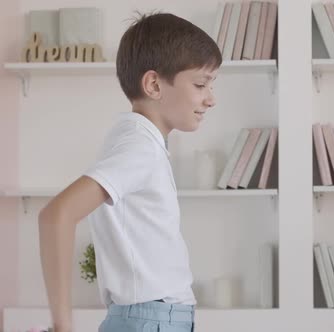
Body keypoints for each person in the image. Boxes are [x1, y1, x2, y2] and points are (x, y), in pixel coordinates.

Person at [38, 12, 221, 332]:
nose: (211, 99)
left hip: (153, 317)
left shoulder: (135, 139)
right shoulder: (140, 148)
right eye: (200, 83)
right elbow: (57, 214)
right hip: (152, 319)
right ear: (153, 84)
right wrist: (63, 326)